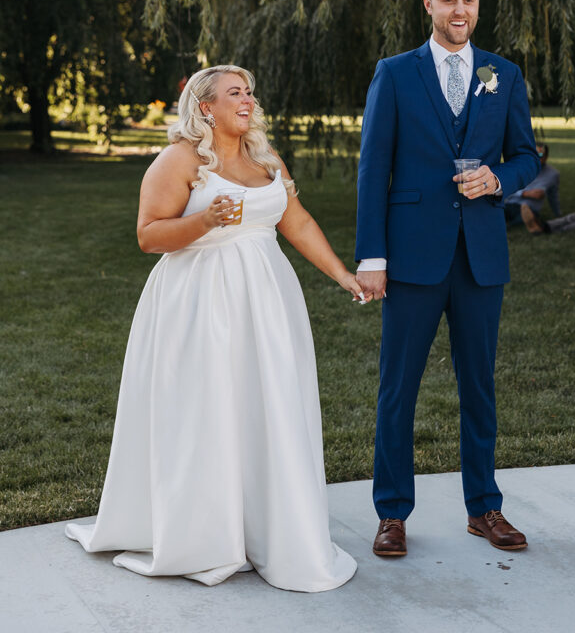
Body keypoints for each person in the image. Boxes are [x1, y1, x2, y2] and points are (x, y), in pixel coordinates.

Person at [66, 64, 358, 591]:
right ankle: (205, 533)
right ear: (206, 107)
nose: (247, 101)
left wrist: (342, 275)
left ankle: (265, 528)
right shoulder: (178, 160)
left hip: (267, 304)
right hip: (199, 304)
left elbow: (298, 222)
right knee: (209, 410)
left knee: (266, 406)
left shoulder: (266, 158)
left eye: (249, 92)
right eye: (234, 94)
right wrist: (204, 221)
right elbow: (148, 235)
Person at [355, 0, 540, 559]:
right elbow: (372, 171)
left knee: (479, 387)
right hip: (410, 257)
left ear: (478, 5)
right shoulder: (395, 74)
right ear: (427, 5)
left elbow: (526, 157)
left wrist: (499, 178)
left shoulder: (502, 74)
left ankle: (484, 508)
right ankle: (392, 513)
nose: (460, 10)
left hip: (480, 257)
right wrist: (372, 256)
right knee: (398, 389)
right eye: (448, 0)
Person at [504, 143, 560, 233]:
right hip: (511, 203)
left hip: (530, 207)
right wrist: (525, 193)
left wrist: (557, 213)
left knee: (520, 219)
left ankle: (528, 222)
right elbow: (507, 187)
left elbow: (553, 195)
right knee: (499, 213)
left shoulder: (553, 174)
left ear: (546, 156)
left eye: (541, 155)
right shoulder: (521, 168)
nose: (537, 157)